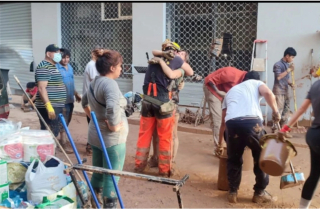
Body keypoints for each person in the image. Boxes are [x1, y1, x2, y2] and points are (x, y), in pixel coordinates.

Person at [218, 71, 281, 204]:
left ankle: (233, 193)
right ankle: (259, 193)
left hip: (232, 125)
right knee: (261, 158)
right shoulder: (257, 83)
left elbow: (223, 122)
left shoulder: (230, 92)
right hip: (252, 123)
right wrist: (276, 112)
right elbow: (269, 94)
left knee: (234, 159)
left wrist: (220, 143)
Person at [134, 40, 193, 177]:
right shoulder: (176, 60)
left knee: (144, 135)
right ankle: (164, 169)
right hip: (164, 104)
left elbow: (156, 52)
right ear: (176, 51)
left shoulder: (155, 58)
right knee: (165, 137)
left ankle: (139, 166)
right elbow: (189, 71)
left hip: (147, 101)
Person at [81, 49, 128, 209]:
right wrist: (114, 126)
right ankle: (109, 206)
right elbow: (113, 109)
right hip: (111, 139)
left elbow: (84, 103)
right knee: (112, 176)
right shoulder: (110, 84)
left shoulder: (95, 81)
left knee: (99, 172)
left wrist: (96, 117)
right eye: (120, 66)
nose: (122, 69)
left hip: (95, 135)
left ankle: (92, 203)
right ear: (113, 68)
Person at [148, 49, 191, 173]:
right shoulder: (169, 64)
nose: (178, 53)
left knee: (172, 134)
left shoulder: (181, 69)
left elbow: (171, 75)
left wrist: (161, 61)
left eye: (182, 54)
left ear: (184, 60)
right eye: (178, 52)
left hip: (172, 105)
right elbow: (155, 52)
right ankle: (156, 157)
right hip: (158, 102)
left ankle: (171, 160)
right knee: (156, 133)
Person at [279, 80, 320, 209]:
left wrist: (285, 128)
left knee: (314, 175)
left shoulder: (315, 84)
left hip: (313, 135)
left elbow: (302, 109)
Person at [203, 66, 249, 155]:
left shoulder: (243, 82)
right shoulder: (232, 75)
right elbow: (210, 81)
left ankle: (223, 140)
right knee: (218, 119)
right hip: (212, 89)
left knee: (228, 118)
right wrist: (218, 91)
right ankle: (218, 148)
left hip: (225, 93)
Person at [34, 44, 69, 150]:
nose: (59, 55)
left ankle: (50, 153)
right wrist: (48, 106)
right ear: (48, 54)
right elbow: (41, 88)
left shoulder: (52, 66)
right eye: (57, 53)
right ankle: (46, 155)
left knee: (53, 132)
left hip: (55, 105)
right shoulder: (44, 66)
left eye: (60, 53)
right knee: (48, 133)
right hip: (49, 106)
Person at [56, 48, 82, 154]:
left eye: (67, 57)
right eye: (63, 57)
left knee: (67, 121)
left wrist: (76, 94)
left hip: (70, 99)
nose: (66, 60)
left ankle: (61, 140)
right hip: (61, 100)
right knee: (63, 122)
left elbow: (71, 82)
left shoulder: (70, 68)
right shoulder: (56, 68)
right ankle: (63, 143)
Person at [82, 46, 103, 155]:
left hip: (93, 98)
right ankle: (90, 146)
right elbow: (96, 81)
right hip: (91, 99)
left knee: (94, 122)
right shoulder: (92, 65)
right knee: (93, 123)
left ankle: (93, 145)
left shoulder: (96, 65)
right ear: (93, 54)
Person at [272, 47, 297, 137]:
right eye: (292, 57)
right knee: (278, 111)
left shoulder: (287, 65)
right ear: (287, 56)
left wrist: (291, 84)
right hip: (278, 91)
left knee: (286, 111)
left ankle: (283, 130)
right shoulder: (277, 65)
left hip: (286, 90)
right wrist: (288, 70)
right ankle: (275, 129)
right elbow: (278, 77)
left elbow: (286, 78)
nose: (292, 59)